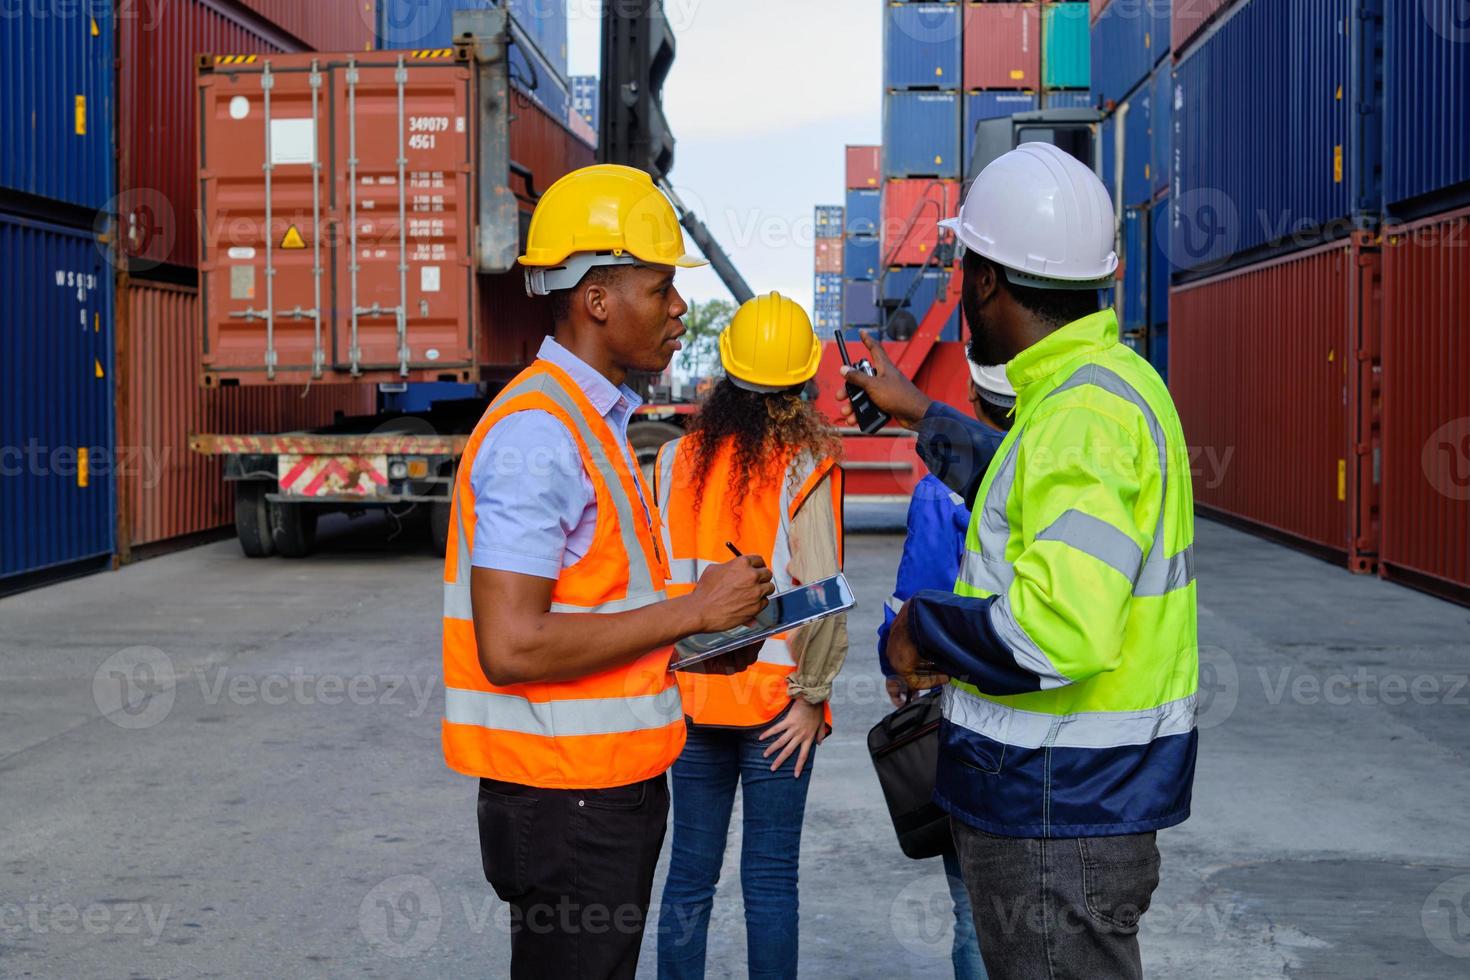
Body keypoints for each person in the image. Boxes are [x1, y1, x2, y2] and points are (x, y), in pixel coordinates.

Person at [841, 142, 1199, 980]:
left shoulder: (1081, 416)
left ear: (986, 279)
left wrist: (917, 629)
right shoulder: (1108, 386)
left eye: (966, 264)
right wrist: (920, 412)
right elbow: (1030, 487)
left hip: (1055, 810)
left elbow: (1055, 634)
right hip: (1082, 800)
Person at [441, 163, 777, 980]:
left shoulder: (591, 422)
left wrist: (695, 645)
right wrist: (692, 613)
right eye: (661, 288)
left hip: (598, 793)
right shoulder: (539, 436)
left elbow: (598, 609)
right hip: (567, 803)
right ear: (597, 300)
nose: (678, 309)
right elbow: (514, 646)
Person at [653, 292, 847, 980]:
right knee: (769, 882)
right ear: (800, 386)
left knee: (688, 881)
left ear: (726, 377)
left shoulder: (673, 462)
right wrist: (811, 696)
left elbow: (655, 589)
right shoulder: (805, 465)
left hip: (688, 705)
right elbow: (822, 599)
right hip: (776, 709)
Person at [876, 360, 1014, 980]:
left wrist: (896, 662)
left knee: (974, 912)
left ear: (974, 399)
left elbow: (919, 605)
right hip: (1063, 745)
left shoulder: (942, 489)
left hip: (972, 731)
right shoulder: (1068, 478)